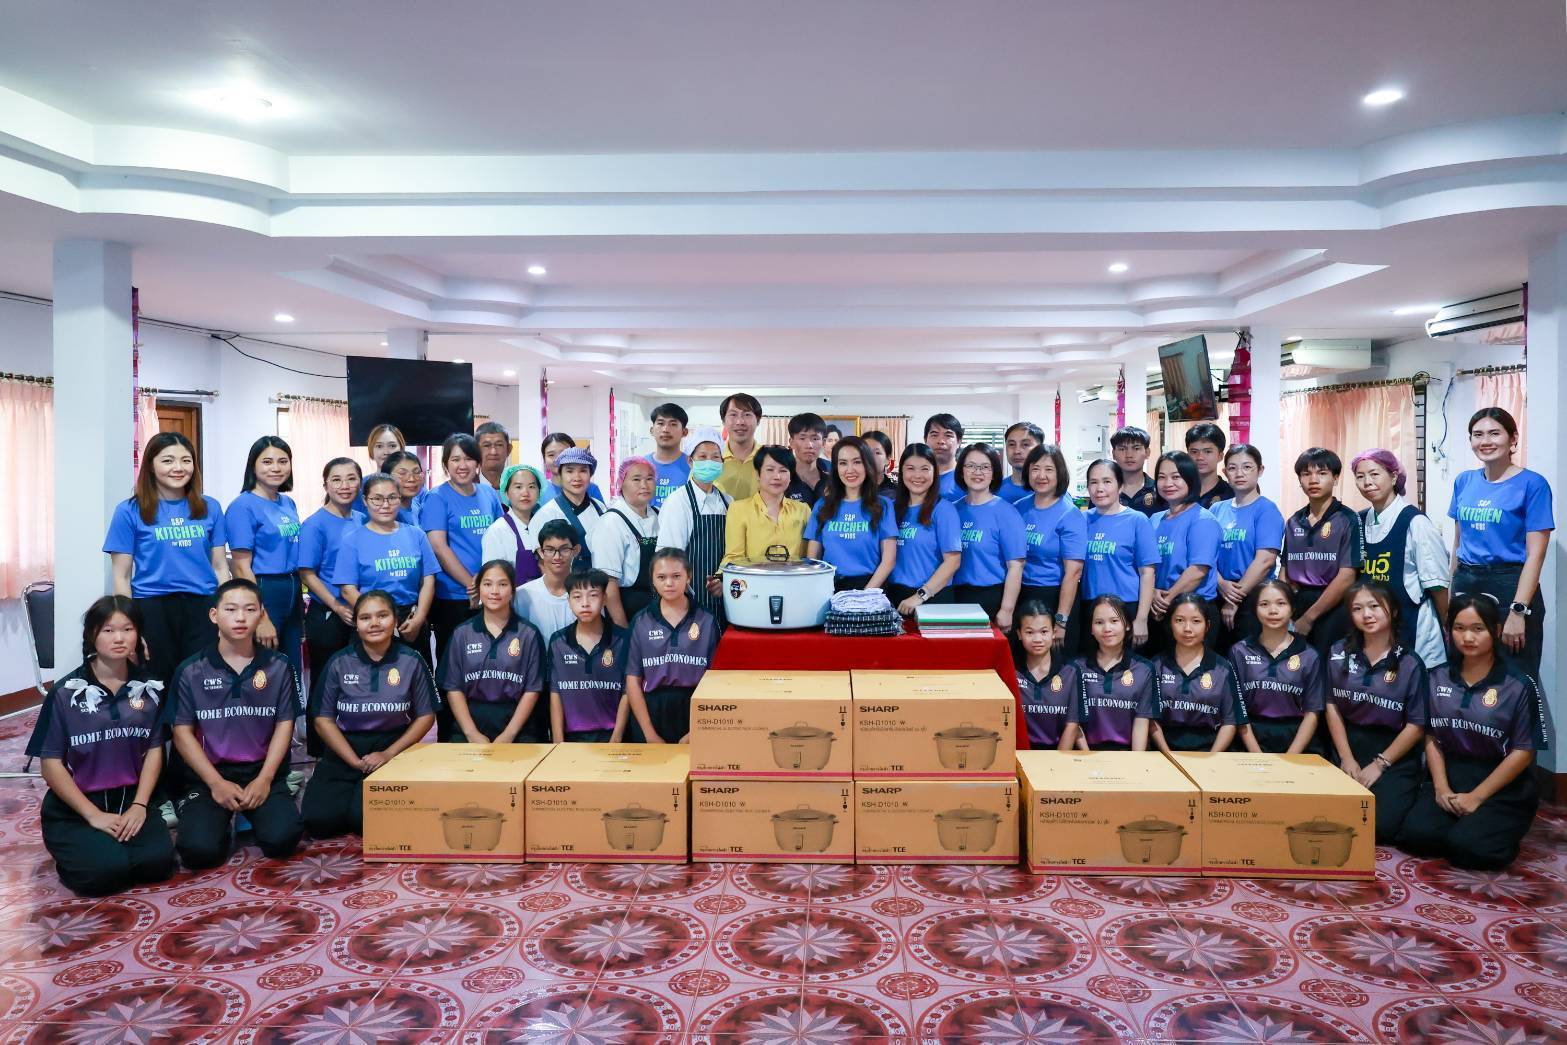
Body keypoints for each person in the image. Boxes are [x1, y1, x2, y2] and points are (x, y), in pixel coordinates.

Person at [28, 596, 175, 896]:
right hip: (77, 807)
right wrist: (93, 815)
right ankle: (77, 851)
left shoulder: (149, 689)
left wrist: (140, 805)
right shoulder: (66, 693)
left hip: (130, 800)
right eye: (108, 630)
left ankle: (111, 846)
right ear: (91, 634)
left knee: (157, 865)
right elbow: (50, 764)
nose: (119, 638)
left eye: (128, 629)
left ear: (138, 634)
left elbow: (154, 750)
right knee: (104, 874)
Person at [1398, 594, 1550, 870]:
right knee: (1416, 836)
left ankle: (1490, 828)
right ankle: (1463, 825)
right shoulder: (1437, 676)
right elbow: (1431, 735)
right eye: (1459, 628)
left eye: (1478, 629)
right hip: (1453, 775)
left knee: (1469, 849)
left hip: (1501, 786)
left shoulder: (1517, 684)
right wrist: (1441, 788)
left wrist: (1477, 796)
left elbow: (1524, 751)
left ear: (1496, 630)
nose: (1468, 637)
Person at [167, 579, 302, 869]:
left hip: (261, 771)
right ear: (214, 615)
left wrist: (265, 779)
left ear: (261, 614)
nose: (240, 617)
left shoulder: (279, 666)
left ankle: (256, 812)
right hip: (209, 775)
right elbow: (181, 733)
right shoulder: (190, 670)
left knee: (283, 840)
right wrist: (215, 783)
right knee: (198, 852)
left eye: (249, 609)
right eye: (230, 609)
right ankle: (213, 820)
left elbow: (284, 724)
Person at [302, 590, 437, 838]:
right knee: (318, 822)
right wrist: (354, 761)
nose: (374, 623)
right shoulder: (339, 662)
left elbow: (426, 716)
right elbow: (322, 720)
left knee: (364, 820)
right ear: (356, 623)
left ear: (395, 620)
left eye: (382, 616)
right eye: (365, 618)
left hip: (393, 747)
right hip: (345, 750)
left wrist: (388, 753)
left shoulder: (412, 660)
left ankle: (358, 802)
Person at [105, 432, 230, 687]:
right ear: (151, 465)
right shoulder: (129, 511)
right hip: (152, 607)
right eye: (168, 460)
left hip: (203, 605)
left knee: (202, 681)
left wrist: (226, 612)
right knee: (158, 682)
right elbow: (121, 576)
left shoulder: (211, 507)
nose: (178, 468)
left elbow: (220, 567)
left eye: (186, 460)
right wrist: (128, 626)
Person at [1449, 407, 1553, 679]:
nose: (1485, 441)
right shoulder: (1464, 481)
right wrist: (1451, 593)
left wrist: (1518, 611)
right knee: (1466, 672)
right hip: (1466, 582)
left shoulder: (1533, 484)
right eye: (1478, 434)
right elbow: (1458, 543)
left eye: (1494, 433)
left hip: (1510, 586)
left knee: (1513, 677)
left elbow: (1535, 556)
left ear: (1513, 438)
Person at [1322, 582, 1428, 844]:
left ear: (1393, 611)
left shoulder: (1410, 663)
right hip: (1347, 743)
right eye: (1357, 608)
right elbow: (1332, 705)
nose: (1366, 615)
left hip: (1392, 751)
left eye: (1374, 606)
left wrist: (1380, 764)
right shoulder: (1337, 652)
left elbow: (1416, 725)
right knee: (1327, 815)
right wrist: (1346, 758)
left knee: (1379, 827)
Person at [1353, 448, 1450, 667]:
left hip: (1413, 627)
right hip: (1373, 630)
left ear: (1394, 477)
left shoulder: (1416, 522)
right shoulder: (1358, 521)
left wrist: (1446, 624)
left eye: (1375, 474)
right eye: (1360, 476)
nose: (1367, 482)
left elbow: (1437, 585)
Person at [439, 560, 547, 743]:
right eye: (487, 584)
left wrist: (509, 735)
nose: (494, 591)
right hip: (469, 725)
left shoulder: (528, 634)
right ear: (478, 589)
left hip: (518, 728)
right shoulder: (462, 633)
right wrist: (471, 734)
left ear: (512, 590)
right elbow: (453, 687)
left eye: (502, 584)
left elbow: (532, 689)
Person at [225, 436, 304, 681]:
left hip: (292, 587)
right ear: (253, 466)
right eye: (267, 462)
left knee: (291, 666)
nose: (276, 468)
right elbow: (241, 566)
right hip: (264, 588)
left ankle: (291, 708)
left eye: (283, 461)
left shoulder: (288, 503)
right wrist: (260, 615)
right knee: (264, 668)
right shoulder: (242, 506)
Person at [421, 433, 505, 659]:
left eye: (468, 459)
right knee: (454, 659)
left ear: (478, 463)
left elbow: (501, 537)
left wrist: (487, 585)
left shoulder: (489, 494)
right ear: (446, 463)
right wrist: (472, 584)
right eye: (455, 459)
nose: (462, 465)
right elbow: (438, 547)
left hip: (491, 592)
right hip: (454, 596)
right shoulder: (437, 497)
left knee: (489, 657)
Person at [331, 474, 437, 651]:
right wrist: (380, 618)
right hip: (372, 621)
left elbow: (428, 580)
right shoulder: (352, 540)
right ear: (365, 500)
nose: (385, 505)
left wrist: (419, 618)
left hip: (411, 619)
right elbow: (347, 589)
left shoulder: (416, 535)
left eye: (392, 498)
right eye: (377, 499)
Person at [626, 549, 720, 744]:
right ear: (652, 580)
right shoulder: (641, 621)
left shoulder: (707, 620)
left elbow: (716, 681)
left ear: (688, 577)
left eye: (676, 576)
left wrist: (698, 729)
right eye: (661, 577)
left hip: (695, 709)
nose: (669, 583)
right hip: (650, 711)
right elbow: (632, 680)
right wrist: (649, 734)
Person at [1280, 448, 1365, 656]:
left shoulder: (1348, 519)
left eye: (1322, 473)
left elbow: (1347, 577)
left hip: (1334, 607)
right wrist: (1284, 608)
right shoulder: (1294, 521)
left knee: (1330, 666)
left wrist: (1309, 618)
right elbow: (1285, 571)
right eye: (1306, 474)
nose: (1313, 480)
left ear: (1335, 478)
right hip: (1297, 605)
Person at [1230, 579, 1327, 755]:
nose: (1273, 611)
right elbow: (1237, 709)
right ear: (1255, 609)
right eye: (1264, 604)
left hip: (1296, 739)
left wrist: (1291, 757)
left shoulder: (1309, 655)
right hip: (1250, 737)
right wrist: (1257, 755)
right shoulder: (1240, 651)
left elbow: (1312, 713)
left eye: (1281, 603)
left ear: (1292, 609)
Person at [1143, 594, 1245, 753]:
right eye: (1179, 620)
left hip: (1211, 750)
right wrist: (1168, 754)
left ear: (1207, 626)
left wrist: (1211, 757)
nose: (1187, 628)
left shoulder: (1223, 668)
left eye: (1196, 621)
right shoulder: (1156, 665)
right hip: (1164, 751)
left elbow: (1230, 722)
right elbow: (1150, 719)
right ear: (1170, 624)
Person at [298, 458, 365, 686]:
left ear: (360, 483)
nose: (344, 486)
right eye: (336, 480)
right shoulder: (314, 524)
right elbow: (307, 574)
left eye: (351, 479)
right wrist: (336, 606)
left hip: (360, 612)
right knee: (325, 684)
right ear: (325, 485)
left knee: (356, 683)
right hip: (329, 613)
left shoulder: (363, 520)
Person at [1211, 444, 1285, 648]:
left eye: (1247, 467)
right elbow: (1206, 555)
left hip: (1253, 597)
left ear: (1260, 470)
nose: (1239, 473)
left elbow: (1265, 560)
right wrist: (1220, 583)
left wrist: (1233, 599)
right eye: (1232, 468)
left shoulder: (1267, 510)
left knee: (1248, 656)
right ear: (1225, 472)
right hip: (1218, 591)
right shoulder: (1216, 510)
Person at [1148, 451, 1222, 651]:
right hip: (1157, 608)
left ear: (1190, 479)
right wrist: (1152, 593)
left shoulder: (1203, 520)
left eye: (1176, 477)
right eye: (1161, 477)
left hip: (1194, 611)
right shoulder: (1154, 520)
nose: (1168, 483)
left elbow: (1198, 570)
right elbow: (1146, 565)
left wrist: (1166, 600)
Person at [1060, 595, 1155, 752]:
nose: (1107, 629)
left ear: (1127, 625)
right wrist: (1088, 757)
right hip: (1085, 754)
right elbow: (1073, 722)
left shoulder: (1144, 669)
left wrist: (1135, 761)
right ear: (1091, 628)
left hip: (1128, 755)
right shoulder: (1074, 667)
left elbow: (1141, 722)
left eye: (1114, 621)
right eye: (1099, 622)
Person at [1080, 459, 1158, 650]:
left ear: (1120, 486)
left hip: (1127, 607)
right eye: (1093, 482)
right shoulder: (1081, 519)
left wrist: (1141, 618)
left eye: (1107, 482)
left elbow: (1147, 573)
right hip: (1091, 607)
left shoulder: (1137, 520)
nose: (1100, 488)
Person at [656, 428, 732, 621]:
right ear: (690, 461)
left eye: (715, 457)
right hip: (689, 601)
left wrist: (723, 580)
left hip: (725, 598)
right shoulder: (678, 502)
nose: (710, 462)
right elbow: (669, 558)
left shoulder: (727, 501)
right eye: (703, 457)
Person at [805, 436, 898, 592]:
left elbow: (888, 560)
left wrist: (863, 597)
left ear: (867, 464)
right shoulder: (822, 505)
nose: (850, 470)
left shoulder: (883, 505)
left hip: (870, 588)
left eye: (857, 462)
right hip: (828, 587)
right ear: (836, 468)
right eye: (843, 463)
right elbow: (813, 559)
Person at [548, 569, 631, 743]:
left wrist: (617, 737)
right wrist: (558, 741)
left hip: (612, 736)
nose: (585, 603)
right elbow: (555, 693)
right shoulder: (558, 642)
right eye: (577, 597)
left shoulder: (623, 639)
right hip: (571, 739)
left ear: (604, 599)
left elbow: (628, 692)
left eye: (593, 596)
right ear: (569, 601)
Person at [1019, 443, 1086, 652]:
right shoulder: (1018, 508)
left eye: (1049, 469)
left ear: (1059, 473)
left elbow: (1073, 572)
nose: (1041, 476)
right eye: (1035, 469)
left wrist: (1061, 620)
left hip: (1055, 596)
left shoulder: (1069, 514)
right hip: (1022, 593)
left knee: (1056, 660)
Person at [952, 443, 1027, 628]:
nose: (977, 472)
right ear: (961, 471)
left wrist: (1007, 609)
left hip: (992, 598)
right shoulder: (952, 510)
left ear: (994, 473)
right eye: (971, 466)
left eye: (985, 467)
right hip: (955, 596)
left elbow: (1016, 566)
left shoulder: (1006, 512)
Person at [886, 443, 963, 614]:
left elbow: (953, 561)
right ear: (901, 471)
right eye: (910, 468)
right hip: (895, 596)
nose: (917, 475)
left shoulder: (943, 509)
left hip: (933, 597)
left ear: (934, 472)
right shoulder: (892, 509)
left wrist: (920, 595)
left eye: (925, 469)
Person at [590, 457, 661, 626]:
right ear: (621, 484)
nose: (644, 485)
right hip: (628, 609)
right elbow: (609, 582)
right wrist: (623, 629)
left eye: (649, 478)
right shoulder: (611, 522)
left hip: (658, 608)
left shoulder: (659, 515)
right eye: (636, 479)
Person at [1013, 600, 1082, 751]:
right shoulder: (1011, 671)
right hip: (1020, 754)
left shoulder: (1070, 671)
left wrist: (1057, 762)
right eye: (1029, 632)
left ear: (1054, 633)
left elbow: (1073, 724)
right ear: (1019, 634)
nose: (1037, 639)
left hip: (1058, 755)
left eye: (1044, 632)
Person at [723, 446, 810, 565]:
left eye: (783, 470)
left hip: (794, 576)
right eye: (770, 470)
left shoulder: (803, 510)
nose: (777, 476)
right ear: (758, 474)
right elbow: (734, 557)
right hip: (752, 576)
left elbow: (809, 557)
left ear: (790, 477)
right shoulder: (738, 509)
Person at [529, 447, 608, 567]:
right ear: (560, 475)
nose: (577, 477)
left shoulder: (600, 508)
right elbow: (542, 563)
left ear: (590, 474)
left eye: (583, 471)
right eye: (569, 471)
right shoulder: (545, 515)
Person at [481, 463, 546, 588]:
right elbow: (491, 580)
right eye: (518, 487)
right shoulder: (497, 532)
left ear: (539, 492)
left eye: (532, 487)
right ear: (506, 493)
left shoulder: (545, 526)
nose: (525, 493)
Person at [516, 519, 581, 638]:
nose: (557, 557)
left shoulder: (587, 595)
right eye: (550, 550)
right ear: (541, 552)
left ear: (576, 550)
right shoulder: (522, 595)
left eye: (564, 549)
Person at [716, 393, 764, 500]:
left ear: (758, 420)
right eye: (733, 415)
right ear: (723, 421)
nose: (740, 422)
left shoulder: (769, 458)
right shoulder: (710, 460)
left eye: (747, 415)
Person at [1111, 426, 1165, 517]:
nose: (1129, 455)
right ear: (1113, 454)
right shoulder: (1105, 492)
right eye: (1122, 449)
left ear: (1147, 452)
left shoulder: (1160, 490)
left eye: (1136, 448)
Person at [541, 432, 608, 504]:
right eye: (551, 455)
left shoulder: (591, 489)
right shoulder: (539, 490)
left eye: (563, 453)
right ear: (544, 459)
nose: (557, 459)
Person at [648, 403, 692, 509]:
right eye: (660, 423)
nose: (665, 429)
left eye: (673, 424)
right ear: (652, 430)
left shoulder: (692, 466)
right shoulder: (640, 466)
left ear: (684, 432)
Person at [357, 424, 407, 515]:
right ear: (371, 450)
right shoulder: (360, 487)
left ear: (402, 449)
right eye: (379, 446)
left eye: (392, 446)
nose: (386, 452)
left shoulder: (412, 485)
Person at [785, 412, 831, 506]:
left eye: (815, 439)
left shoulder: (834, 473)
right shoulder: (782, 476)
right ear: (791, 442)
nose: (809, 445)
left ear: (823, 442)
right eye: (802, 438)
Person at [1184, 422, 1233, 509]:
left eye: (1207, 451)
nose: (1200, 457)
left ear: (1220, 456)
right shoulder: (1178, 491)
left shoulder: (1231, 494)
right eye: (1194, 452)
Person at [1000, 422, 1045, 505]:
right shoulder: (994, 491)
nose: (1017, 451)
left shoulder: (1051, 491)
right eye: (1011, 444)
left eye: (1025, 444)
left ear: (1040, 449)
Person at [923, 413, 965, 501]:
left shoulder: (967, 477)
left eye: (948, 435)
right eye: (934, 435)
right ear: (925, 440)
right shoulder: (916, 477)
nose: (941, 441)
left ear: (959, 441)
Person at [381, 450, 428, 524]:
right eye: (402, 473)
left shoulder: (416, 506)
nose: (411, 479)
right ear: (386, 477)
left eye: (416, 472)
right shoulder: (384, 513)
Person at [475, 421, 512, 490]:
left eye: (499, 445)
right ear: (476, 450)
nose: (493, 452)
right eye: (486, 445)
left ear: (508, 449)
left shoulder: (519, 486)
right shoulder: (464, 487)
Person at [861, 429, 899, 496]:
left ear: (887, 459)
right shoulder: (850, 489)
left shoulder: (895, 494)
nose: (870, 456)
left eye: (877, 452)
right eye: (865, 451)